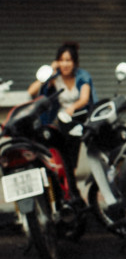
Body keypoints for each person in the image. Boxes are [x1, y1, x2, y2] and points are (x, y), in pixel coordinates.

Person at [27, 41, 95, 172]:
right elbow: (31, 91)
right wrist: (50, 72)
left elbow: (84, 99)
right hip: (61, 119)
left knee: (74, 135)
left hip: (80, 116)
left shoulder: (82, 76)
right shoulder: (55, 78)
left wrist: (73, 108)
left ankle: (72, 171)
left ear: (74, 62)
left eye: (68, 60)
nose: (65, 64)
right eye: (61, 60)